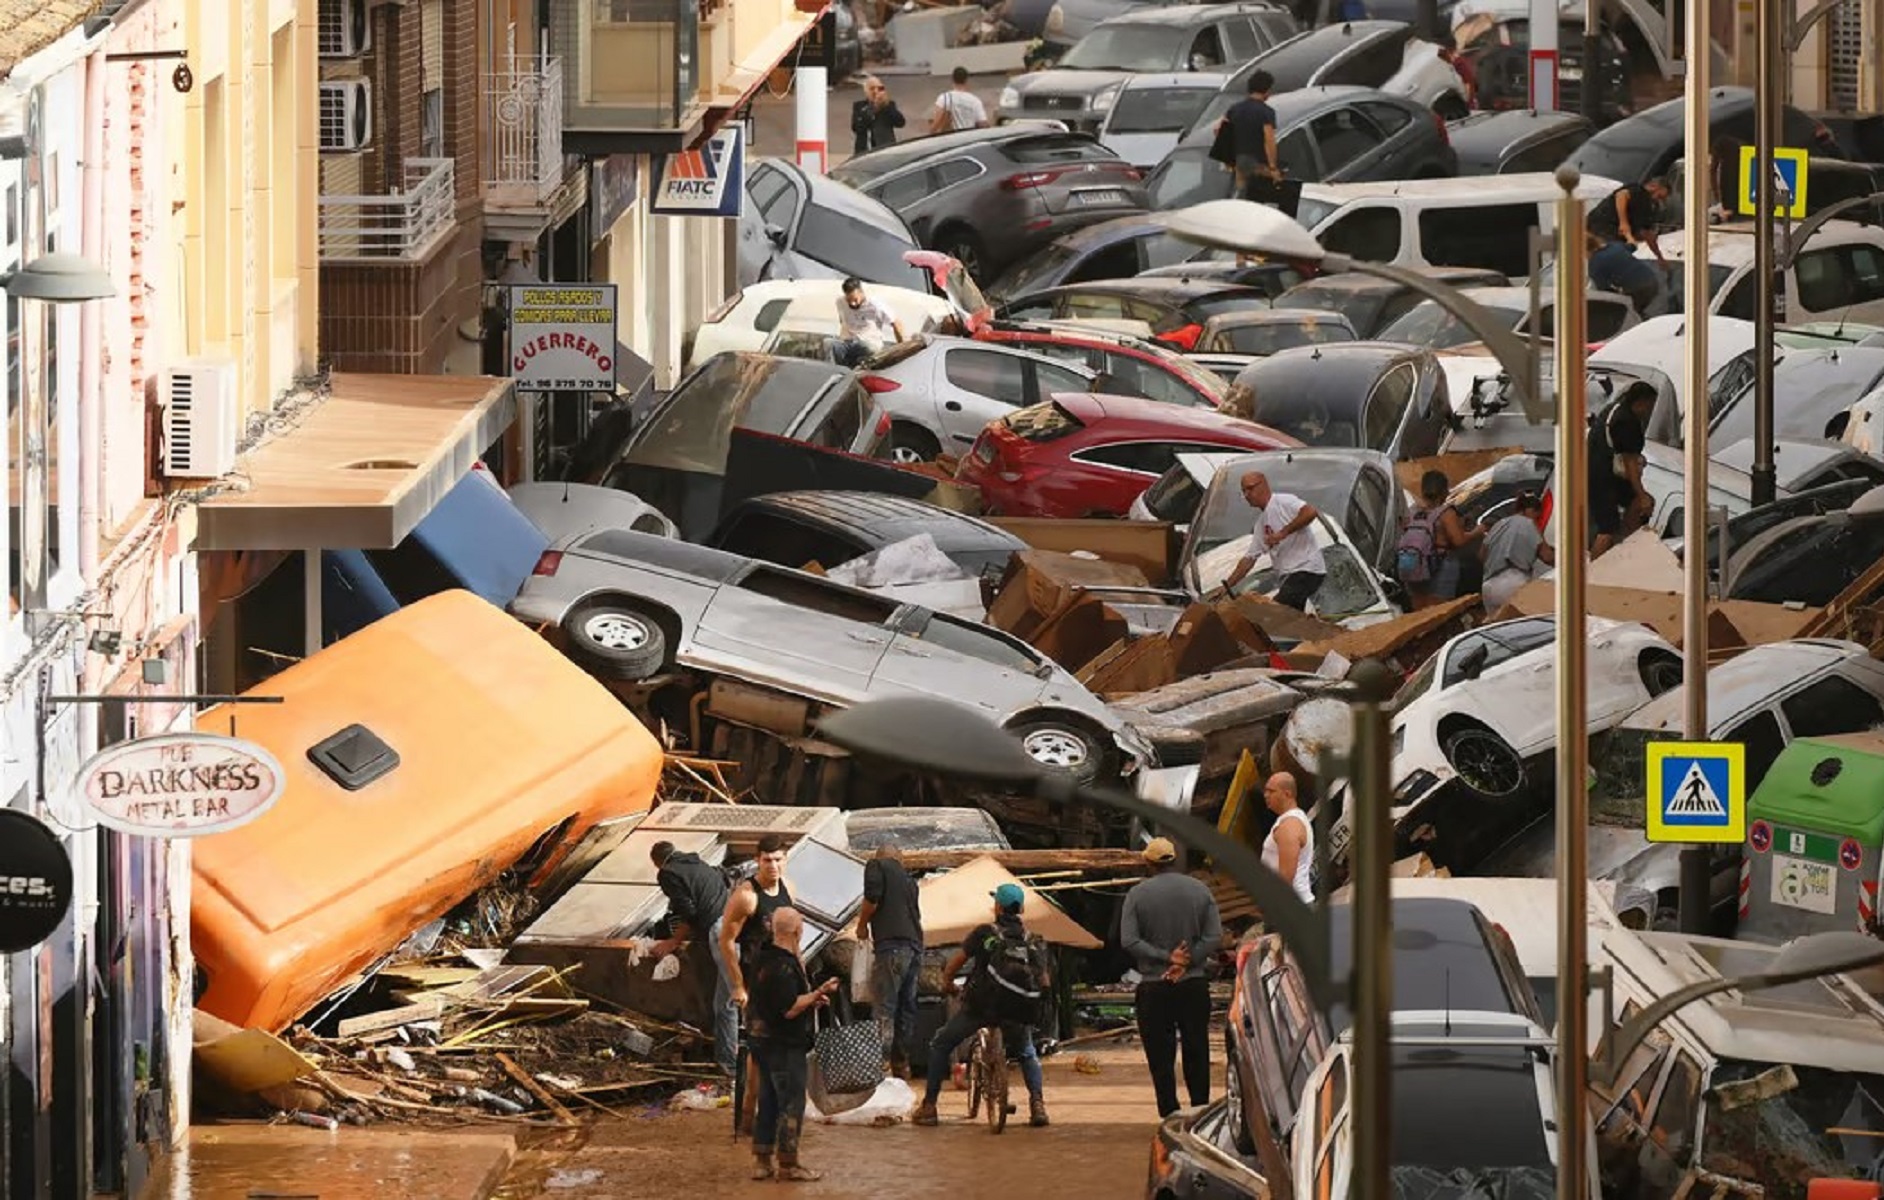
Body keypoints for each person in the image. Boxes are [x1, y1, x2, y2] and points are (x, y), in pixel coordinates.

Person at [912, 883, 1050, 1129]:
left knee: (941, 1044)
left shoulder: (985, 933)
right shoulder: (1033, 940)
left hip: (981, 1006)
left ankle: (929, 1106)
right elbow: (1044, 980)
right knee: (1027, 1052)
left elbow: (956, 962)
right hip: (1017, 1011)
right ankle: (1038, 1105)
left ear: (998, 907)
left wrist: (948, 984)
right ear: (1021, 909)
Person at [1120, 837, 1222, 1119]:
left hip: (1154, 986)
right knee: (1196, 1046)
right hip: (1193, 984)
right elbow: (1214, 936)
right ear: (1175, 859)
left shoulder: (1137, 894)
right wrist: (1187, 961)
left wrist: (1167, 958)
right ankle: (1200, 1109)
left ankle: (1168, 1112)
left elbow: (1129, 940)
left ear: (1148, 862)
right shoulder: (1200, 890)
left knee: (1160, 1055)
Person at [746, 906, 838, 1182]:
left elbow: (776, 1001)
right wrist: (819, 992)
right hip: (784, 1044)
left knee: (768, 1099)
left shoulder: (761, 957)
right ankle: (788, 1163)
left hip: (760, 1040)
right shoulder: (784, 965)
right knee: (791, 1102)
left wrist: (811, 999)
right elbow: (788, 1008)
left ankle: (762, 1160)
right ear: (797, 931)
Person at [720, 834, 795, 1133]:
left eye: (778, 860)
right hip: (757, 982)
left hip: (785, 982)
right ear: (757, 861)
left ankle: (772, 1113)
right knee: (759, 1052)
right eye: (767, 860)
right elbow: (726, 941)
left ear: (785, 860)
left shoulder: (789, 889)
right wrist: (738, 986)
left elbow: (792, 936)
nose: (773, 866)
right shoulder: (747, 896)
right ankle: (749, 1116)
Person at [650, 840, 737, 1081]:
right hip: (731, 922)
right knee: (725, 1001)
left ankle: (730, 1066)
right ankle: (728, 1060)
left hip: (720, 933)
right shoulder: (700, 864)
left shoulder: (668, 873)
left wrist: (673, 942)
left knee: (726, 1005)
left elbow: (688, 911)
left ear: (657, 862)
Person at [856, 843, 924, 1080]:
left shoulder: (876, 865)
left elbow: (872, 899)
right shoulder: (910, 882)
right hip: (915, 949)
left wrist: (862, 925)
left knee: (885, 1007)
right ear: (900, 859)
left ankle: (880, 1066)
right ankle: (901, 1064)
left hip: (891, 948)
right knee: (906, 1008)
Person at [1222, 471, 1325, 611]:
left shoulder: (1283, 501)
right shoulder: (1260, 524)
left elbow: (1310, 512)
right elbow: (1249, 559)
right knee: (1290, 616)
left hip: (1306, 570)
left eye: (1250, 488)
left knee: (1274, 610)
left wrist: (1283, 533)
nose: (1247, 495)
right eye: (1244, 491)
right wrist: (1227, 586)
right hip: (1289, 576)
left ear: (1263, 485)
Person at [1588, 381, 1656, 558]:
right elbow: (1629, 463)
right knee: (1608, 528)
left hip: (1600, 471)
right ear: (1641, 402)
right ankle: (1592, 569)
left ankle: (1630, 545)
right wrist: (1641, 494)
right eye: (1649, 406)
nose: (1649, 411)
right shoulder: (1626, 422)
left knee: (1637, 503)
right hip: (1603, 478)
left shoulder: (1614, 409)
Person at [1398, 469, 1483, 609]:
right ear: (1444, 491)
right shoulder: (1446, 513)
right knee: (1439, 611)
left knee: (1418, 611)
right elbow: (1458, 541)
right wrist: (1477, 532)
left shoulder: (1411, 512)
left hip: (1413, 564)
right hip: (1440, 566)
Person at [1587, 178, 1671, 318]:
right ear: (1654, 186)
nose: (1659, 199)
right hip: (1602, 226)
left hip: (1611, 239)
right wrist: (1624, 223)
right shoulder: (1639, 191)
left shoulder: (1646, 209)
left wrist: (1659, 257)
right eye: (1660, 195)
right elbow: (1622, 195)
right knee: (1603, 261)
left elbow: (1646, 235)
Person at [1479, 491, 1555, 614]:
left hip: (1488, 586)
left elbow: (1482, 555)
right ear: (1530, 510)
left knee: (1496, 624)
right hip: (1513, 583)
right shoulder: (1528, 524)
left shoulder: (1498, 524)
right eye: (1536, 516)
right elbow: (1547, 557)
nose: (1536, 520)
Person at [1216, 70, 1280, 204]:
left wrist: (1227, 159)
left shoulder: (1234, 109)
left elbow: (1217, 129)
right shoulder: (1266, 112)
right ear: (1267, 90)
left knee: (1241, 193)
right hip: (1257, 162)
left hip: (1238, 160)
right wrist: (1273, 168)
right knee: (1268, 198)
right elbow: (1269, 141)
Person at [1261, 772, 1313, 906]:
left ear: (1287, 794)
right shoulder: (1289, 819)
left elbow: (1286, 876)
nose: (1266, 795)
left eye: (1271, 791)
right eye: (1265, 791)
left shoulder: (1290, 825)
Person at [831, 277, 904, 367]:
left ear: (861, 293)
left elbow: (896, 323)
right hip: (849, 342)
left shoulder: (875, 305)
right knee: (830, 345)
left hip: (868, 343)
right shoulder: (840, 302)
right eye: (849, 300)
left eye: (855, 300)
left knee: (865, 347)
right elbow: (842, 320)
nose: (852, 303)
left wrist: (901, 348)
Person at [850, 76, 906, 155]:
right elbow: (856, 127)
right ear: (866, 91)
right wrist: (873, 108)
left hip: (884, 148)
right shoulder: (859, 106)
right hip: (865, 149)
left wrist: (886, 105)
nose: (876, 91)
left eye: (880, 88)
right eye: (872, 88)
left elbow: (900, 123)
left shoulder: (889, 105)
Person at [931, 67, 989, 133]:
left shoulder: (944, 98)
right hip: (969, 136)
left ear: (952, 79)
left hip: (951, 136)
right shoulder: (975, 101)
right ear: (966, 80)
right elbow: (983, 124)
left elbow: (936, 122)